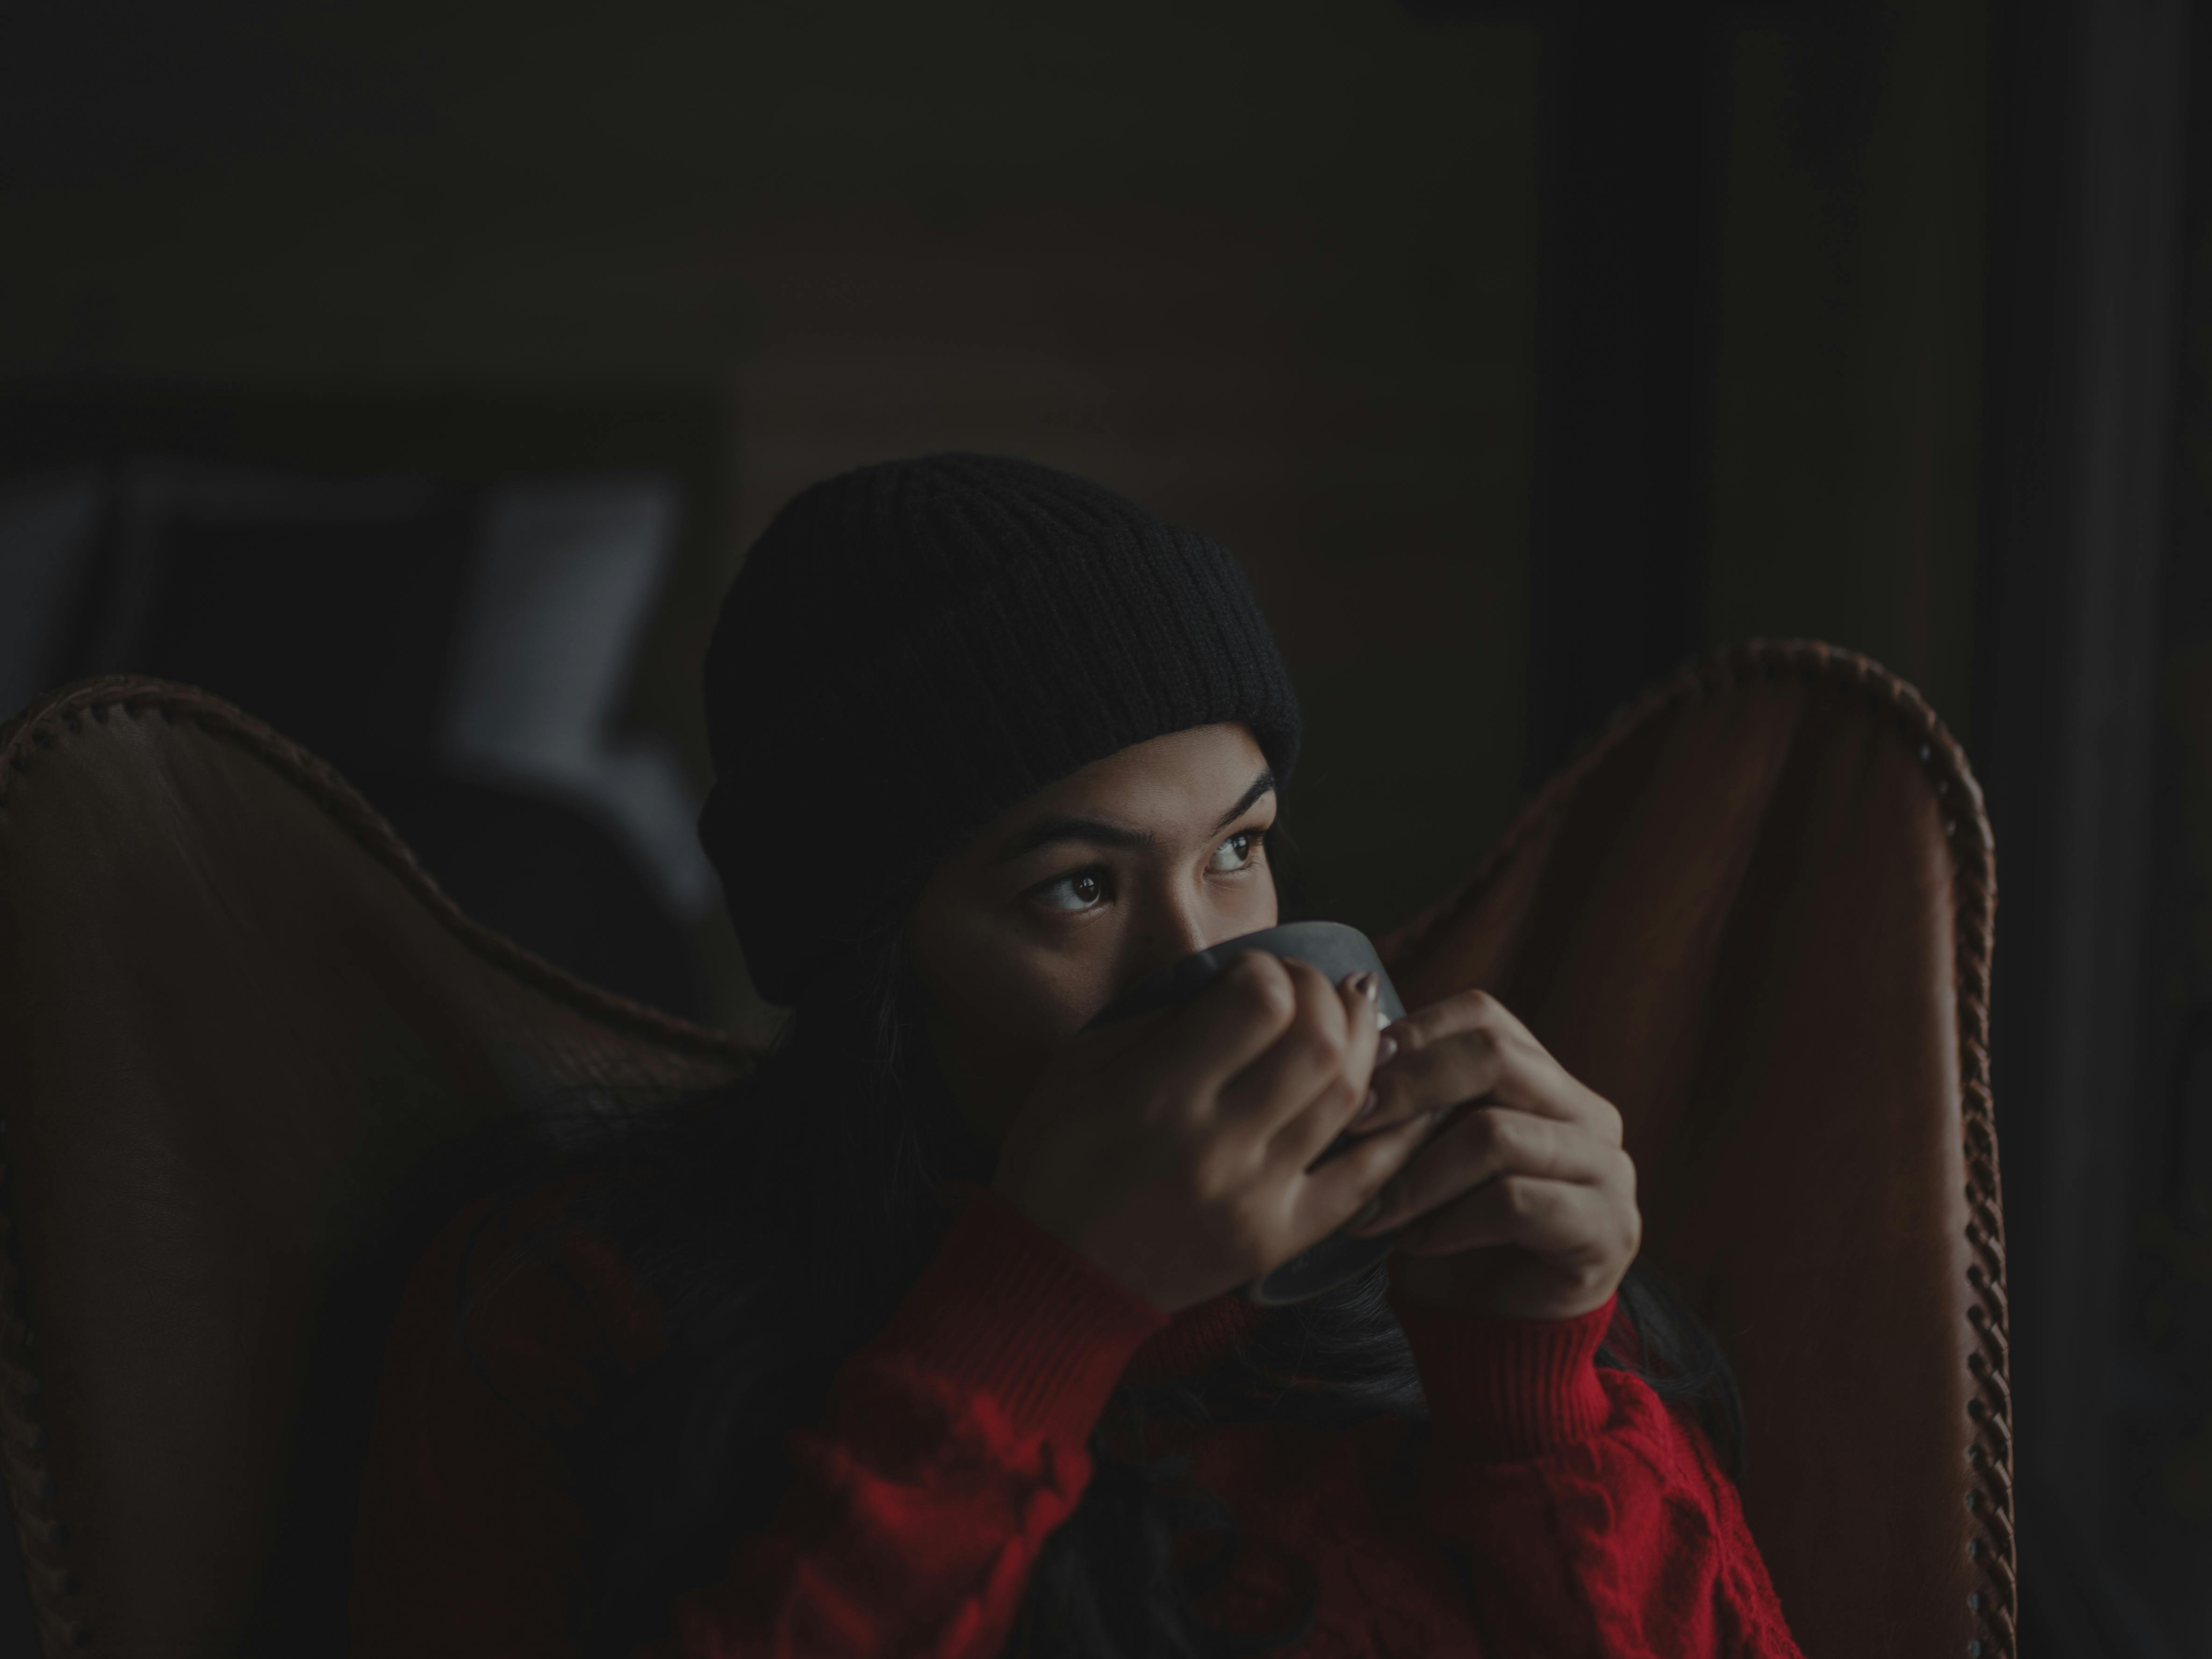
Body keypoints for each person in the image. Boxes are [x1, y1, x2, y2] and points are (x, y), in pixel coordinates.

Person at [348, 455, 1803, 1658]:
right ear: (875, 960)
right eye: (1077, 888)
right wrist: (1042, 1311)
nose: (1201, 972)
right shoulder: (570, 1311)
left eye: (1237, 851)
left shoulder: (1429, 1307)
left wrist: (1531, 1388)